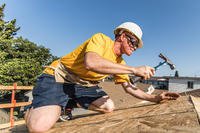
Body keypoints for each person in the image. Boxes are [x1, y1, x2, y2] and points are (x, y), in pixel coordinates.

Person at [24, 22, 180, 132]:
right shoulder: (100, 39)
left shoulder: (120, 63)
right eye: (133, 42)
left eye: (136, 45)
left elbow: (129, 88)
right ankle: (31, 109)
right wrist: (134, 69)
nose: (134, 47)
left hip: (82, 85)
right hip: (58, 78)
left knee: (109, 107)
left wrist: (155, 98)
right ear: (122, 36)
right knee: (39, 127)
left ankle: (69, 102)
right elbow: (91, 63)